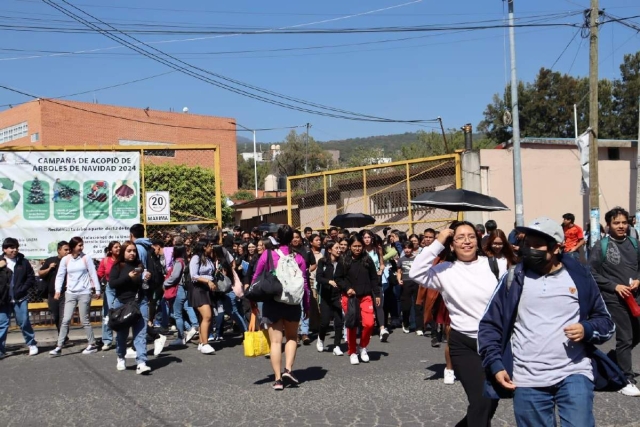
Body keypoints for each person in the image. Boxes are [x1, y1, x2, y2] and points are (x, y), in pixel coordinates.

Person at [479, 217, 617, 426]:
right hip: (526, 380)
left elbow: (606, 322)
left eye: (537, 245)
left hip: (574, 372)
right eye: (527, 244)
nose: (529, 250)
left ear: (555, 248)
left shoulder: (580, 277)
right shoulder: (513, 279)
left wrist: (587, 329)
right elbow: (489, 326)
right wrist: (496, 365)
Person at [410, 221, 506, 427]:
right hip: (464, 344)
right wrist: (438, 241)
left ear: (478, 241)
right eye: (460, 237)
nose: (467, 241)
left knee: (491, 401)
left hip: (495, 344)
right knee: (481, 400)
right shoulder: (444, 270)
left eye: (471, 236)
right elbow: (415, 272)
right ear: (451, 245)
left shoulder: (495, 265)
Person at [589, 207, 640, 396]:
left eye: (624, 222)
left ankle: (614, 358)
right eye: (616, 223)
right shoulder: (601, 246)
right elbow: (591, 272)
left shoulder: (635, 244)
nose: (621, 226)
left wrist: (638, 280)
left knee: (637, 334)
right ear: (608, 224)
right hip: (614, 299)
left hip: (635, 298)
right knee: (625, 337)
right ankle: (626, 379)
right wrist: (614, 286)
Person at [252, 225, 310, 390]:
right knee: (292, 337)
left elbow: (257, 276)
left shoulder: (268, 254)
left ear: (276, 237)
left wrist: (253, 300)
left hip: (273, 301)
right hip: (292, 302)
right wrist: (306, 305)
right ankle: (288, 370)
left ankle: (277, 379)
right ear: (292, 238)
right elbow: (304, 283)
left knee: (276, 342)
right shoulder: (298, 257)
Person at [50, 237, 101, 356]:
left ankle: (92, 344)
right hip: (70, 292)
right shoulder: (66, 259)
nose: (82, 248)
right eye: (79, 245)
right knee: (65, 319)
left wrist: (97, 289)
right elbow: (60, 276)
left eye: (82, 245)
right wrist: (57, 290)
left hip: (84, 292)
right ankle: (59, 346)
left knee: (85, 320)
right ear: (73, 247)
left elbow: (93, 273)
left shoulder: (86, 258)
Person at [335, 234, 381, 365]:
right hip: (349, 297)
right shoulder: (344, 259)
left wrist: (377, 294)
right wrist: (347, 288)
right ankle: (353, 351)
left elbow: (374, 278)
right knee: (352, 324)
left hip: (366, 296)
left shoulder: (367, 259)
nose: (357, 248)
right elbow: (338, 278)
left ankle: (363, 346)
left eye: (359, 246)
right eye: (354, 246)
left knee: (369, 323)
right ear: (350, 246)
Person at [109, 241, 152, 374]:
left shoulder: (140, 265)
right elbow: (113, 284)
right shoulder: (118, 266)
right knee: (122, 334)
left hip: (140, 302)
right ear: (123, 252)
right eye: (129, 251)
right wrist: (128, 277)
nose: (132, 253)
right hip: (122, 304)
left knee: (140, 333)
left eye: (134, 251)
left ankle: (141, 362)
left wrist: (146, 278)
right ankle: (121, 356)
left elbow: (143, 285)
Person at [129, 224, 166, 356]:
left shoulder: (138, 247)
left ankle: (155, 336)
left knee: (137, 315)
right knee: (138, 315)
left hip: (141, 285)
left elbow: (140, 267)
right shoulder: (147, 245)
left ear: (131, 235)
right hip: (148, 284)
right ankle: (136, 346)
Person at [0, 237, 39, 358]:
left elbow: (30, 277)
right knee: (2, 324)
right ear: (4, 249)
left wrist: (22, 289)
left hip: (20, 298)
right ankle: (1, 350)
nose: (14, 250)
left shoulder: (23, 262)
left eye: (16, 247)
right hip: (3, 299)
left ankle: (31, 344)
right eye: (11, 248)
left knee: (24, 322)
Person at [315, 241, 344, 355]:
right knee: (325, 322)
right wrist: (328, 281)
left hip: (337, 295)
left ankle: (337, 346)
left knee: (339, 321)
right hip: (325, 296)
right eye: (336, 248)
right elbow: (318, 277)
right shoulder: (323, 262)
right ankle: (321, 338)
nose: (339, 250)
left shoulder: (342, 262)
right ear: (329, 250)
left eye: (340, 248)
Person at [189, 239, 217, 354]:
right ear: (204, 247)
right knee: (207, 316)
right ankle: (205, 344)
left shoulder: (209, 258)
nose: (212, 248)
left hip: (207, 290)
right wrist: (207, 281)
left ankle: (201, 342)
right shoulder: (196, 258)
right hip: (199, 289)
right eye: (210, 245)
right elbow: (194, 276)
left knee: (203, 318)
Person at [361, 229, 389, 342]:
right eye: (365, 237)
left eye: (369, 237)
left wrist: (381, 270)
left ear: (372, 239)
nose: (367, 239)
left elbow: (382, 264)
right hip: (364, 282)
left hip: (376, 280)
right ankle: (368, 328)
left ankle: (382, 328)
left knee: (379, 304)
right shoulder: (361, 251)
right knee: (367, 305)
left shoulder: (377, 250)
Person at [39, 241, 70, 336]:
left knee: (64, 317)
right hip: (52, 294)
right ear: (58, 250)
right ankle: (62, 335)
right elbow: (40, 273)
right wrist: (49, 268)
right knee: (56, 316)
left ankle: (62, 338)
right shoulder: (50, 261)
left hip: (65, 293)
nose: (68, 252)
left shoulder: (71, 261)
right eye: (65, 250)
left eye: (69, 250)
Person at [292, 230, 316, 345]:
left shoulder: (306, 250)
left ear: (300, 238)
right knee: (294, 308)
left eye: (297, 237)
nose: (295, 239)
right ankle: (295, 333)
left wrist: (308, 270)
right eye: (293, 237)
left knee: (305, 307)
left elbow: (314, 263)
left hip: (304, 282)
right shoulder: (286, 251)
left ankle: (304, 333)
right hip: (291, 285)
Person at [97, 241, 120, 351]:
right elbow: (99, 274)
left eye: (119, 247)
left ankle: (121, 339)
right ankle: (107, 340)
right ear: (110, 250)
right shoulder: (105, 261)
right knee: (107, 314)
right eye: (116, 247)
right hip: (110, 289)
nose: (118, 249)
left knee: (122, 314)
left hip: (122, 289)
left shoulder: (123, 260)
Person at [397, 241, 424, 335]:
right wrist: (399, 279)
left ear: (412, 248)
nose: (407, 250)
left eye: (409, 248)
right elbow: (399, 271)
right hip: (406, 283)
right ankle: (406, 324)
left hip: (416, 282)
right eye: (405, 248)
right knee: (406, 306)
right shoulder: (401, 259)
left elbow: (421, 270)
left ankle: (419, 327)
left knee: (418, 305)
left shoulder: (417, 258)